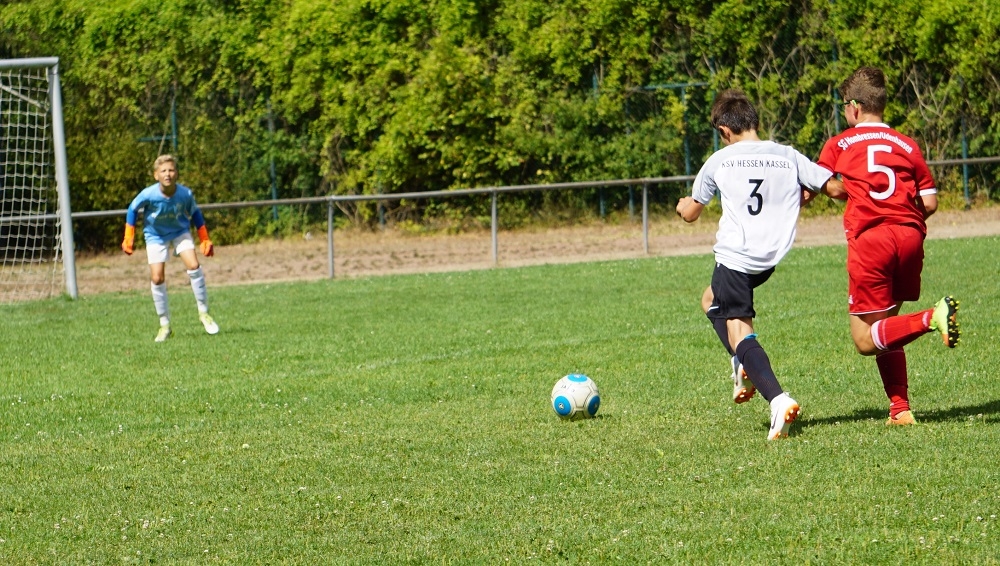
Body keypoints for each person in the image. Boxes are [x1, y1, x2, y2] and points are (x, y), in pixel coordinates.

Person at [676, 89, 838, 440]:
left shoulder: (719, 161)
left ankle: (777, 398)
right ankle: (741, 363)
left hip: (736, 257)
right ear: (754, 122)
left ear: (724, 130)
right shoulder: (786, 155)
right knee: (710, 299)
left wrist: (681, 205)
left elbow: (691, 214)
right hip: (767, 260)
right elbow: (831, 188)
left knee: (739, 331)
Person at [817, 66, 959, 426]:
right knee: (886, 327)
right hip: (910, 237)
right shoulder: (907, 144)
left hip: (872, 240)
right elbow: (930, 202)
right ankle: (900, 409)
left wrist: (843, 191)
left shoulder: (839, 143)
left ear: (854, 107)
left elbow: (820, 182)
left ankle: (932, 317)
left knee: (865, 340)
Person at [122, 155, 220, 342]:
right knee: (157, 278)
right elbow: (132, 209)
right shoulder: (148, 194)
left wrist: (205, 239)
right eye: (163, 171)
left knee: (194, 266)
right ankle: (165, 325)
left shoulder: (185, 194)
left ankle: (204, 313)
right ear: (156, 175)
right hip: (155, 236)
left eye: (171, 170)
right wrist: (128, 236)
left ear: (177, 173)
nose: (167, 174)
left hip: (180, 232)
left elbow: (195, 214)